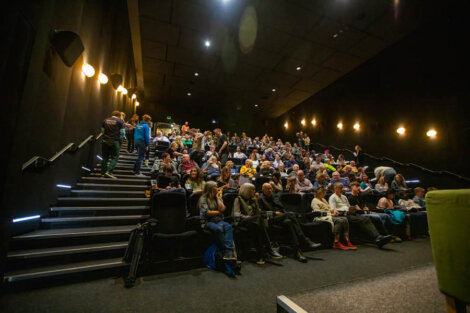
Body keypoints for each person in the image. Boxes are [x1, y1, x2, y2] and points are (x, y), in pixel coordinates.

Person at [258, 183, 321, 262]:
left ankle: (297, 252)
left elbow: (281, 207)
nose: (270, 190)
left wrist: (282, 213)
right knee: (290, 214)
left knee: (289, 222)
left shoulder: (274, 196)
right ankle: (305, 239)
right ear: (263, 189)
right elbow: (261, 213)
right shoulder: (260, 199)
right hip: (270, 218)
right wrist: (274, 213)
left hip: (282, 217)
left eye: (271, 188)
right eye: (268, 189)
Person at [328, 182, 392, 248]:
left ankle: (378, 237)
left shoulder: (344, 197)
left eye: (342, 187)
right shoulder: (332, 197)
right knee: (364, 219)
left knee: (367, 219)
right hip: (342, 215)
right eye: (341, 188)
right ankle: (377, 238)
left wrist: (352, 208)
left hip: (349, 213)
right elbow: (333, 210)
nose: (342, 189)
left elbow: (348, 207)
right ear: (335, 188)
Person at [233, 183, 283, 265]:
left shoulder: (252, 200)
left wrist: (256, 202)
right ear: (247, 190)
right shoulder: (238, 199)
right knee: (259, 219)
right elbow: (237, 215)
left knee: (257, 225)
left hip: (253, 222)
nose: (254, 191)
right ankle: (269, 249)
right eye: (252, 189)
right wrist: (250, 218)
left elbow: (258, 212)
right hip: (241, 222)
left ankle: (261, 255)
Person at [199, 182, 237, 261]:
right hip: (207, 222)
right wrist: (218, 212)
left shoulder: (218, 198)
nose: (218, 188)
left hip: (219, 220)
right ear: (210, 189)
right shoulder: (203, 199)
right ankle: (227, 251)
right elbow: (207, 213)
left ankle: (229, 253)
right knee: (218, 229)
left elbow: (223, 209)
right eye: (216, 187)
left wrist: (217, 197)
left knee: (228, 226)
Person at [100, 111, 125, 179]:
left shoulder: (105, 120)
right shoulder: (120, 121)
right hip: (114, 141)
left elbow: (102, 131)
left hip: (105, 141)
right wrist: (119, 140)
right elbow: (122, 133)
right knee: (115, 157)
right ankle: (109, 172)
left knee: (105, 157)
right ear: (119, 115)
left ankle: (103, 173)